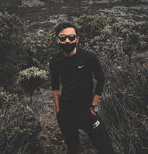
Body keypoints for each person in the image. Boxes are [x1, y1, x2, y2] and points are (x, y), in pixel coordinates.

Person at [49, 21, 116, 154]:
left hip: (87, 111)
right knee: (73, 148)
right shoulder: (55, 61)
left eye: (71, 37)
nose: (68, 41)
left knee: (106, 148)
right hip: (66, 113)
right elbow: (55, 86)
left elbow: (101, 79)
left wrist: (94, 104)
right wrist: (58, 110)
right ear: (57, 40)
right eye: (63, 38)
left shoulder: (88, 57)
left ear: (77, 39)